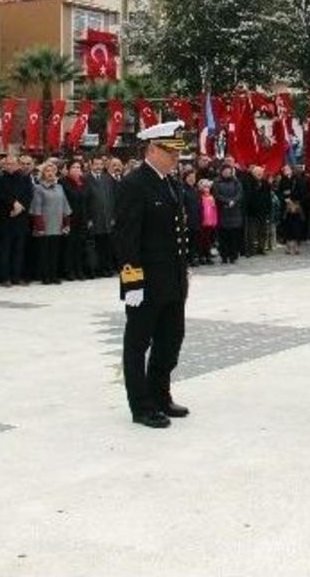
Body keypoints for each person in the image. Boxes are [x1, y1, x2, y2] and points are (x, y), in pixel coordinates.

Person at [114, 122, 191, 429]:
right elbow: (125, 238)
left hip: (172, 278)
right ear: (152, 149)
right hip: (145, 280)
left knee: (171, 339)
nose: (176, 159)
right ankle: (141, 405)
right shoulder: (134, 183)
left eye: (177, 153)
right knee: (138, 342)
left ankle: (160, 394)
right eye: (170, 152)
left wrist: (183, 272)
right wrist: (132, 282)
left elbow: (176, 233)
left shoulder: (169, 182)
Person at [30, 161, 71, 285]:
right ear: (43, 173)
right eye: (47, 171)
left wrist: (66, 223)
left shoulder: (60, 187)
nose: (50, 173)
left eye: (52, 171)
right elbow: (36, 208)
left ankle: (54, 275)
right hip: (44, 224)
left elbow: (65, 206)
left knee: (55, 251)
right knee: (44, 252)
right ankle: (45, 276)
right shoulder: (38, 188)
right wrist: (39, 226)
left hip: (57, 223)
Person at [0, 155, 33, 286]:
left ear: (17, 165)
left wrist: (20, 207)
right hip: (6, 217)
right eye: (7, 164)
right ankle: (5, 277)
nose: (9, 166)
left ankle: (17, 276)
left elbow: (29, 195)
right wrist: (13, 204)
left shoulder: (24, 178)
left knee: (19, 249)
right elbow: (1, 195)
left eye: (12, 164)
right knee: (5, 250)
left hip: (21, 218)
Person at [61, 161, 90, 280]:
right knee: (69, 246)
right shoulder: (63, 182)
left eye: (79, 167)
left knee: (80, 245)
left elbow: (88, 200)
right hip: (70, 218)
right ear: (68, 169)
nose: (77, 169)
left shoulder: (83, 182)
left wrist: (88, 218)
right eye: (74, 167)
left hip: (82, 218)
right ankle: (69, 271)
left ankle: (79, 269)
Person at [213, 164, 244, 264]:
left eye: (228, 171)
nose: (226, 173)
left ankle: (233, 255)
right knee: (223, 235)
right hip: (222, 211)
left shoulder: (236, 181)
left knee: (234, 235)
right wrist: (226, 201)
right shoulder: (217, 182)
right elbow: (216, 195)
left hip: (234, 211)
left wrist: (233, 201)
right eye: (225, 171)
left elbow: (240, 193)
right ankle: (224, 256)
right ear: (221, 172)